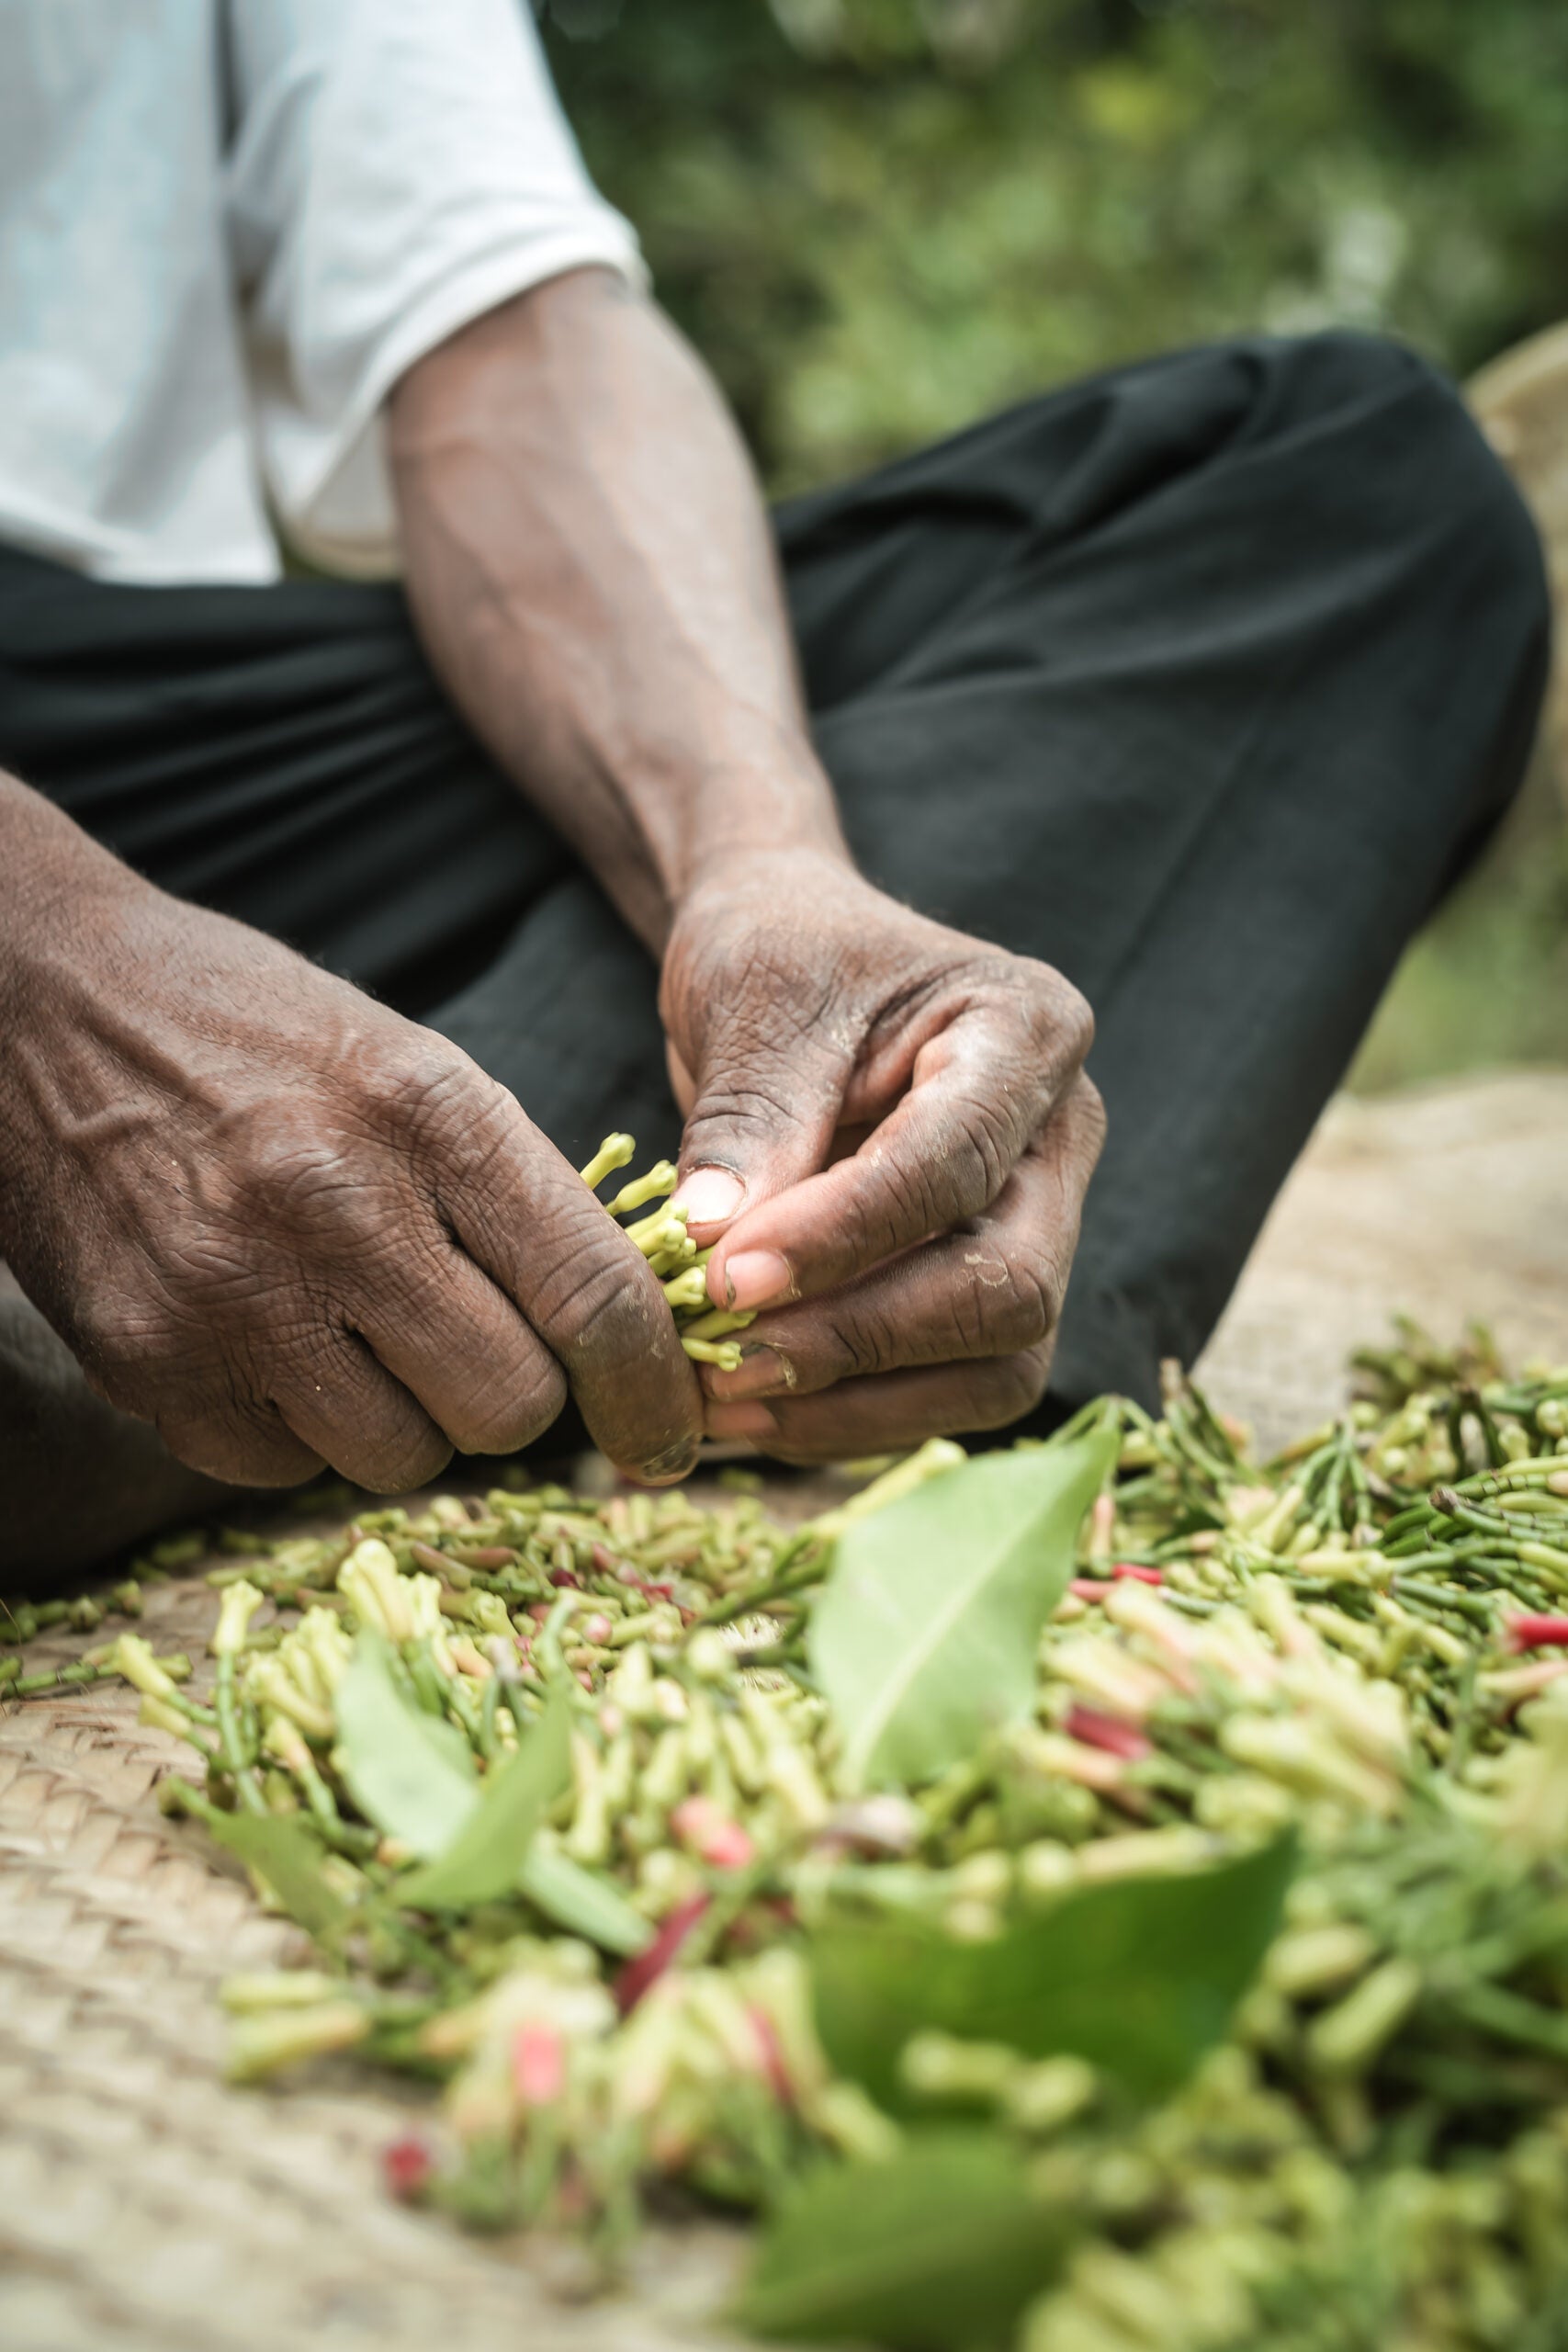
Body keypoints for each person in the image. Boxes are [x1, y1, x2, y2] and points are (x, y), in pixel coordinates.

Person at [0, 1, 1550, 1576]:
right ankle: (321, 1317)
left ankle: (344, 1315)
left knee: (1359, 491)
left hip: (158, 709)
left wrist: (756, 867)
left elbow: (499, 324)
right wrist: (43, 973)